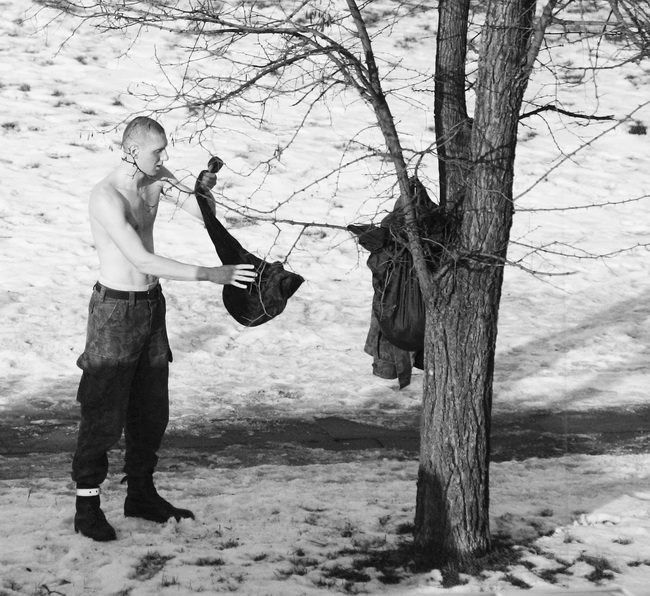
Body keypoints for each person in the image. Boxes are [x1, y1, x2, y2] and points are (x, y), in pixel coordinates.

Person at [71, 116, 256, 542]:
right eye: (158, 150)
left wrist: (201, 193)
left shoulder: (157, 177)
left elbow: (202, 214)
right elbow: (141, 259)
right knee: (103, 412)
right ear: (132, 150)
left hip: (152, 307)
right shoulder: (107, 197)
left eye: (165, 148)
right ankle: (87, 507)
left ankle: (140, 494)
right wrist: (211, 274)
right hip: (115, 312)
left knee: (152, 409)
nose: (164, 156)